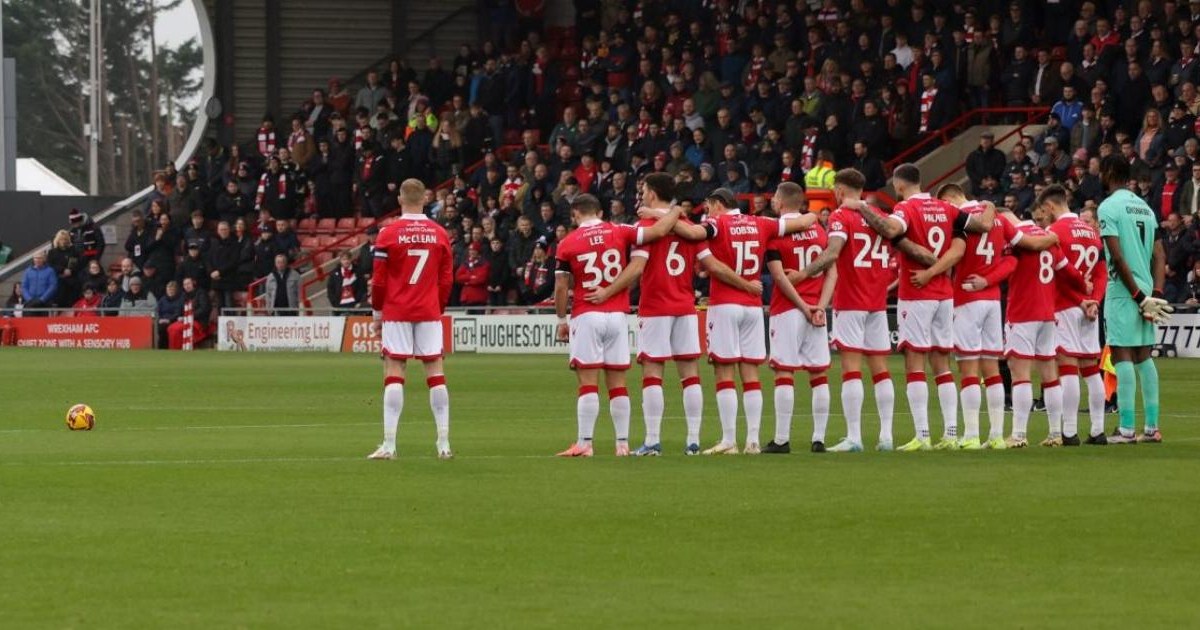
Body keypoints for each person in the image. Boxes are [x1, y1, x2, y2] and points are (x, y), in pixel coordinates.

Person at [585, 173, 748, 456]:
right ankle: (693, 441)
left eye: (644, 189)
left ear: (651, 193)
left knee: (653, 373)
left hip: (657, 306)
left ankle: (652, 441)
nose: (642, 194)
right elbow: (709, 264)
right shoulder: (687, 226)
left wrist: (608, 292)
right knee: (690, 375)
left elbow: (636, 269)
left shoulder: (648, 226)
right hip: (685, 306)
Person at [853, 163, 993, 451]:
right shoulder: (946, 208)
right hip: (945, 294)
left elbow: (891, 228)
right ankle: (952, 434)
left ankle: (923, 435)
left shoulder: (906, 209)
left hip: (917, 291)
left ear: (899, 184)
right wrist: (990, 205)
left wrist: (862, 208)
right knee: (942, 363)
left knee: (914, 361)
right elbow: (983, 226)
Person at [667, 188, 817, 455]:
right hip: (752, 308)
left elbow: (690, 233)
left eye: (708, 206)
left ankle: (728, 440)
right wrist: (812, 214)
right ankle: (754, 440)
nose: (707, 211)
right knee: (751, 373)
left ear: (717, 204)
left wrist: (670, 214)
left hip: (725, 304)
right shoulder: (761, 222)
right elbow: (805, 221)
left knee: (724, 372)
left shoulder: (716, 224)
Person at [552, 193, 682, 457]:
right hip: (618, 316)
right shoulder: (619, 230)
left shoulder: (567, 243)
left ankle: (585, 443)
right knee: (618, 383)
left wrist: (561, 319)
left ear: (576, 214)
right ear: (599, 212)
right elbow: (659, 230)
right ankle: (622, 444)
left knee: (588, 382)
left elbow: (561, 286)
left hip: (587, 313)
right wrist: (675, 211)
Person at [938, 184, 1056, 449]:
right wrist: (989, 279)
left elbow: (953, 255)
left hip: (966, 296)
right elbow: (1016, 256)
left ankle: (970, 435)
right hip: (992, 301)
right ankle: (995, 436)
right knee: (992, 369)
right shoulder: (1000, 219)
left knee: (968, 369)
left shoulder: (957, 218)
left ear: (949, 199)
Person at [367, 179, 454, 461]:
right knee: (436, 374)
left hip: (397, 310)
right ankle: (443, 444)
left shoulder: (388, 234)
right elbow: (446, 278)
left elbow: (379, 281)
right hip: (428, 310)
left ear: (401, 200)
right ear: (425, 199)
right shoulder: (439, 233)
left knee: (395, 371)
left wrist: (377, 313)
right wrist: (436, 306)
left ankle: (390, 445)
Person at [999, 205, 1088, 448]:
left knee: (1020, 371)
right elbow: (1067, 270)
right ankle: (1055, 433)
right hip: (1048, 313)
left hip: (1022, 312)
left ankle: (1018, 434)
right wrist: (1084, 287)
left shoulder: (1015, 239)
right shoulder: (1045, 236)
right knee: (1050, 373)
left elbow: (1006, 268)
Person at [1097, 156, 1172, 444]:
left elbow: (1116, 256)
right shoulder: (1145, 208)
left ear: (1109, 172)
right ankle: (1152, 427)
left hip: (1124, 291)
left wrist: (1139, 297)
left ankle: (1127, 428)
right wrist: (1156, 295)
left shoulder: (1108, 207)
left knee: (1121, 354)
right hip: (1146, 289)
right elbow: (1160, 255)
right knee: (1144, 356)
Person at [763, 183, 838, 452]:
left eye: (774, 197)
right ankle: (818, 439)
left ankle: (782, 439)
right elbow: (832, 272)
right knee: (818, 374)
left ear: (780, 203)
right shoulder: (819, 231)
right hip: (816, 310)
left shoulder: (775, 234)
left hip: (788, 310)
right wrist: (819, 306)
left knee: (784, 372)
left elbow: (780, 278)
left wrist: (803, 307)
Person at [1039, 185, 1109, 445]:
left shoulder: (1053, 232)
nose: (1045, 214)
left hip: (1066, 306)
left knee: (1067, 367)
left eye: (1045, 210)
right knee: (1091, 369)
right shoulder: (1092, 232)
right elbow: (1102, 273)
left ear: (1051, 206)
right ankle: (1098, 430)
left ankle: (1068, 432)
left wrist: (1081, 300)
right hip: (1089, 309)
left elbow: (1057, 273)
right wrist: (1094, 302)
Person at [166, 277, 212, 349]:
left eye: (188, 284)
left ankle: (180, 348)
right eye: (185, 284)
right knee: (171, 328)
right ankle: (173, 349)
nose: (187, 286)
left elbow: (204, 309)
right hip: (186, 320)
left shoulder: (201, 293)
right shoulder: (183, 295)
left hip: (199, 321)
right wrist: (173, 318)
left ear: (193, 283)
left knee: (178, 329)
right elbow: (179, 309)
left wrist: (189, 317)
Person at [327, 251, 367, 315]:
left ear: (351, 259)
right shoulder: (334, 273)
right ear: (340, 260)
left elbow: (362, 288)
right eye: (344, 259)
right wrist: (336, 304)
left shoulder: (358, 271)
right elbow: (330, 290)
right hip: (339, 307)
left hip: (355, 307)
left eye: (348, 259)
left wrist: (358, 301)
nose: (346, 261)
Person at [20, 251, 58, 316]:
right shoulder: (27, 271)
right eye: (36, 258)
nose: (38, 260)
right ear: (33, 259)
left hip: (45, 302)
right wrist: (29, 299)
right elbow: (24, 286)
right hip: (30, 302)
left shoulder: (50, 271)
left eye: (40, 258)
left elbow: (52, 286)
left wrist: (42, 299)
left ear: (44, 259)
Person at [454, 242, 490, 309]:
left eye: (474, 250)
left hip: (479, 298)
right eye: (470, 250)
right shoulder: (466, 263)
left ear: (478, 252)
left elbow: (481, 279)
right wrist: (471, 276)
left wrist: (466, 281)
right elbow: (457, 277)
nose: (471, 252)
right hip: (466, 298)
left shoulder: (484, 264)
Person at [155, 281, 185, 349]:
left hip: (174, 320)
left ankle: (164, 348)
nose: (170, 291)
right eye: (168, 290)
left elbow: (178, 313)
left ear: (176, 290)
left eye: (172, 290)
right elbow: (157, 311)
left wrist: (169, 320)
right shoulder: (162, 299)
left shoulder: (180, 299)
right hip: (162, 320)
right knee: (158, 326)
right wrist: (160, 319)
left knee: (163, 328)